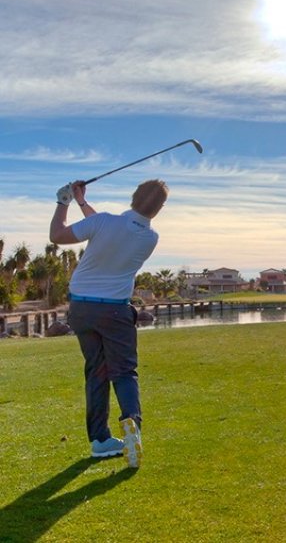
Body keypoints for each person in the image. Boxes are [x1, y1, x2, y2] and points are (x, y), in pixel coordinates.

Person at [50, 179, 168, 468]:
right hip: (115, 312)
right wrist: (81, 202)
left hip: (82, 310)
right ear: (159, 208)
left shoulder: (103, 222)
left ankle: (100, 440)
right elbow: (108, 229)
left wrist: (64, 201)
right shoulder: (150, 238)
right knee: (124, 372)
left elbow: (58, 235)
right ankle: (132, 426)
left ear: (133, 196)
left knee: (96, 371)